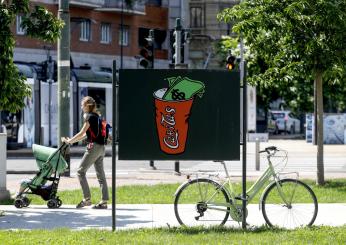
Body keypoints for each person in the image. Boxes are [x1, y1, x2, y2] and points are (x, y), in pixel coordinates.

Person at [62, 96, 109, 209]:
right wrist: (71, 141)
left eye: (82, 105)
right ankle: (104, 201)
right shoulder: (97, 116)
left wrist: (69, 141)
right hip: (101, 148)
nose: (81, 107)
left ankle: (86, 199)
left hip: (93, 148)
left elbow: (81, 132)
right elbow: (84, 135)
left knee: (80, 172)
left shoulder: (89, 117)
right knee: (100, 175)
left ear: (87, 106)